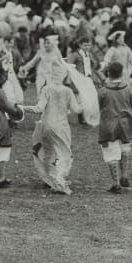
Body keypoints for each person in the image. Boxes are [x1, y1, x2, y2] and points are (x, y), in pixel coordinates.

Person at [20, 62, 82, 195]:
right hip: (61, 126)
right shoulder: (67, 91)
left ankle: (49, 178)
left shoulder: (46, 89)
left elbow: (39, 109)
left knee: (48, 151)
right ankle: (58, 180)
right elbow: (77, 109)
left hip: (46, 125)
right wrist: (85, 103)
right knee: (64, 154)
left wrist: (23, 107)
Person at [96, 60, 132, 193]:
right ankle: (124, 175)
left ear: (108, 73)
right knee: (125, 149)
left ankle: (116, 183)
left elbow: (96, 108)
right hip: (127, 124)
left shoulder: (103, 91)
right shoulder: (128, 88)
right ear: (122, 73)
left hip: (109, 125)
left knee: (111, 153)